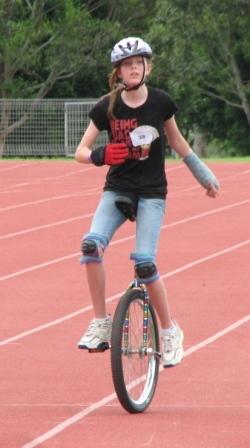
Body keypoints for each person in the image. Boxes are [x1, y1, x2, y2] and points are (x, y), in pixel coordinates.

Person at [75, 37, 219, 367]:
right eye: (127, 64)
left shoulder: (160, 103)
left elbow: (177, 141)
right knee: (90, 246)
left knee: (145, 263)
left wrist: (203, 175)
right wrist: (99, 155)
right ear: (118, 72)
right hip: (117, 189)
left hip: (152, 193)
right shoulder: (107, 107)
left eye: (139, 62)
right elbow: (80, 151)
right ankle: (101, 321)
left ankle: (169, 331)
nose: (134, 68)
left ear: (147, 67)